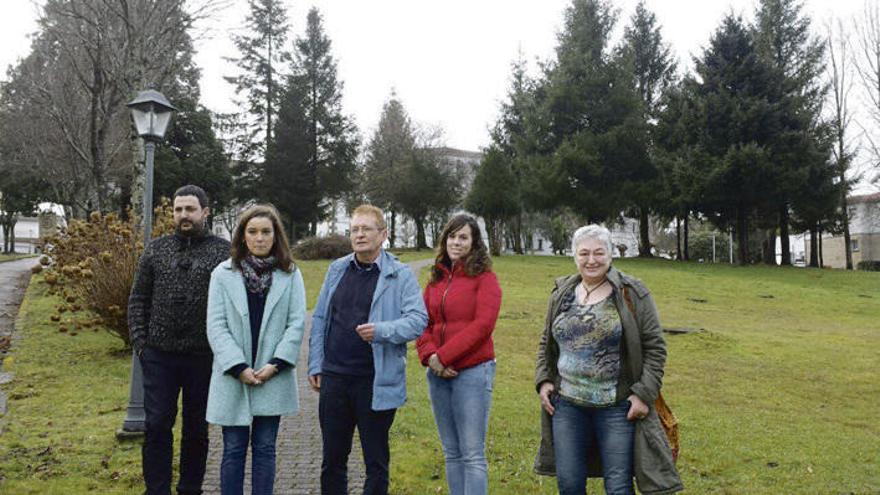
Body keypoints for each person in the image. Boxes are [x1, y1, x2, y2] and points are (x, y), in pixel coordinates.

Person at [534, 225, 683, 495]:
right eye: (584, 253)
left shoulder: (632, 293)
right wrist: (543, 380)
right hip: (567, 405)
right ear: (574, 256)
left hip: (616, 406)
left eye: (599, 253)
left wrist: (642, 395)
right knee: (568, 483)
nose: (591, 260)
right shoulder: (562, 293)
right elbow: (546, 341)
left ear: (611, 255)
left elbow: (655, 348)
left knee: (618, 486)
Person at [307, 204, 428, 495]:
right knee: (332, 461)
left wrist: (382, 331)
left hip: (375, 381)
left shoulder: (400, 275)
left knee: (376, 462)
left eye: (366, 229)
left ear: (382, 234)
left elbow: (418, 320)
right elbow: (321, 317)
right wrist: (315, 363)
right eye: (355, 230)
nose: (359, 235)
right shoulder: (337, 269)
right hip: (335, 379)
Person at [128, 185, 231, 495]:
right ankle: (156, 489)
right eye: (178, 210)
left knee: (196, 429)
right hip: (159, 355)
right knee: (157, 425)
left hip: (204, 357)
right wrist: (141, 344)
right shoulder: (156, 250)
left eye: (190, 209)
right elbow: (138, 299)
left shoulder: (223, 252)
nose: (184, 215)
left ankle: (190, 488)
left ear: (205, 212)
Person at [205, 204, 306, 495]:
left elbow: (296, 323)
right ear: (242, 236)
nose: (259, 238)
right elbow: (216, 325)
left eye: (266, 232)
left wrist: (276, 364)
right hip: (232, 376)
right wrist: (237, 366)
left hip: (270, 375)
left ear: (276, 236)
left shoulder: (290, 274)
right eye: (252, 231)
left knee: (265, 449)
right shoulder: (222, 274)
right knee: (233, 449)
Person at [415, 214, 502, 495]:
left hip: (473, 373)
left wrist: (445, 357)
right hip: (438, 374)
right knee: (452, 452)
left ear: (474, 242)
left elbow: (483, 325)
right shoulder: (436, 279)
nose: (456, 242)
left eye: (463, 237)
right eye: (452, 236)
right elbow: (422, 322)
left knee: (472, 454)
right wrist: (431, 358)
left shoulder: (485, 278)